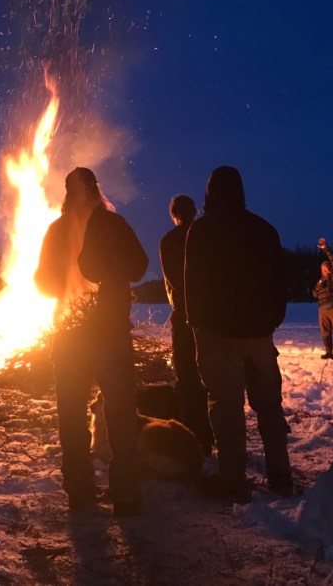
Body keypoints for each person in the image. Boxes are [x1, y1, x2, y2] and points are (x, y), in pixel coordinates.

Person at [35, 167, 149, 516]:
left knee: (72, 412)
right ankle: (125, 494)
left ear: (69, 193)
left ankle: (80, 491)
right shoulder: (114, 224)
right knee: (120, 412)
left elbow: (42, 283)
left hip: (72, 332)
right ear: (95, 190)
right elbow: (139, 267)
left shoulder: (57, 229)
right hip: (108, 332)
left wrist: (69, 284)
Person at [184, 166, 292, 501]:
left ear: (210, 193)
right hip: (259, 334)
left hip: (219, 333)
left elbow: (192, 281)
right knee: (269, 404)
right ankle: (281, 474)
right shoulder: (264, 230)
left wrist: (196, 321)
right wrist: (272, 319)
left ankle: (231, 478)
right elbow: (280, 281)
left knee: (226, 405)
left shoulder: (202, 230)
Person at [159, 195, 213, 455]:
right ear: (194, 211)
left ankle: (198, 435)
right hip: (212, 316)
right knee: (212, 375)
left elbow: (174, 279)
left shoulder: (169, 240)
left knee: (188, 376)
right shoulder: (208, 236)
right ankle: (217, 433)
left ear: (174, 215)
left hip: (184, 317)